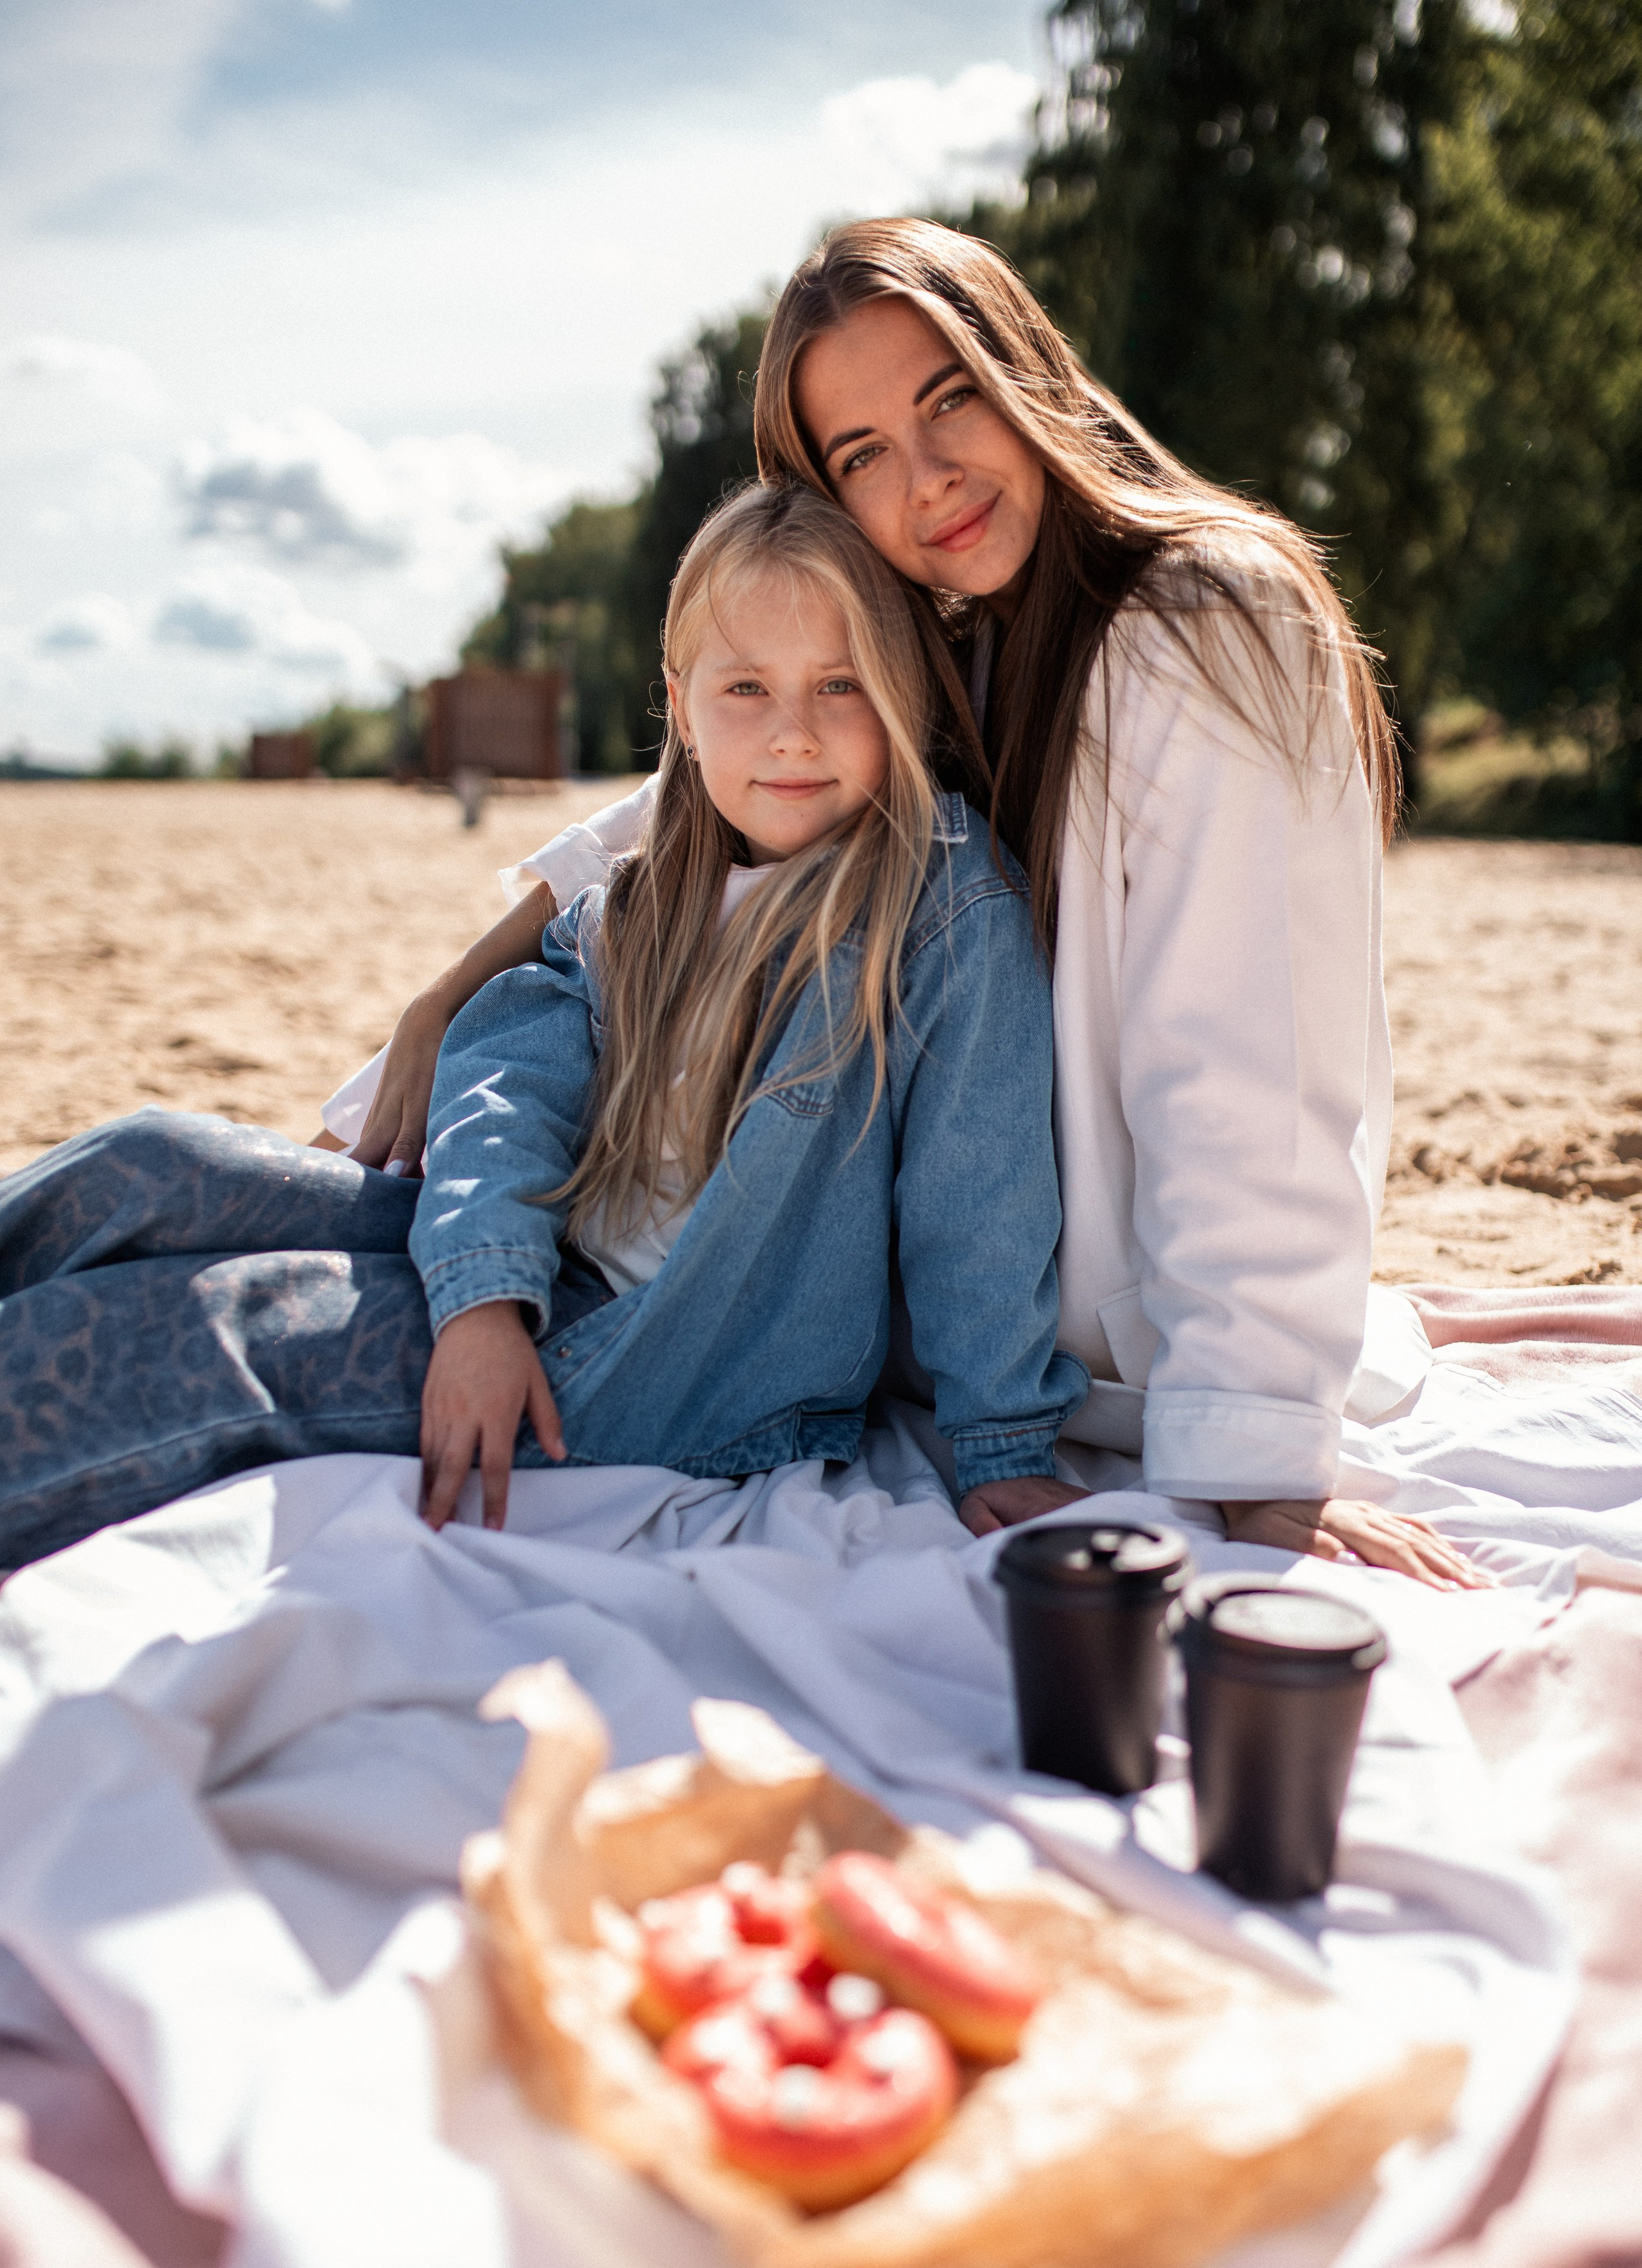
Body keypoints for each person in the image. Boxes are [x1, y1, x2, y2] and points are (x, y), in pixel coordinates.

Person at [325, 217, 1480, 1594]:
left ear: (1027, 374)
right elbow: (690, 801)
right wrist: (447, 995)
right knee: (321, 1244)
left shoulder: (1206, 621)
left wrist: (1257, 1462)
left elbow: (1247, 1061)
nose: (926, 480)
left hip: (1090, 1324)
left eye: (950, 401)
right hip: (888, 1304)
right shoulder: (931, 636)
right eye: (861, 455)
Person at [0, 486, 1085, 1570]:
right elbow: (508, 1080)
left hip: (663, 1368)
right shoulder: (641, 897)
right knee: (153, 1160)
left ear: (898, 693)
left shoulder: (937, 903)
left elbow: (978, 1192)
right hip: (538, 1265)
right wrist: (485, 1295)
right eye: (747, 685)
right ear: (682, 702)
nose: (795, 731)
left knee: (208, 1333)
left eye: (839, 684)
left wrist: (1000, 1442)